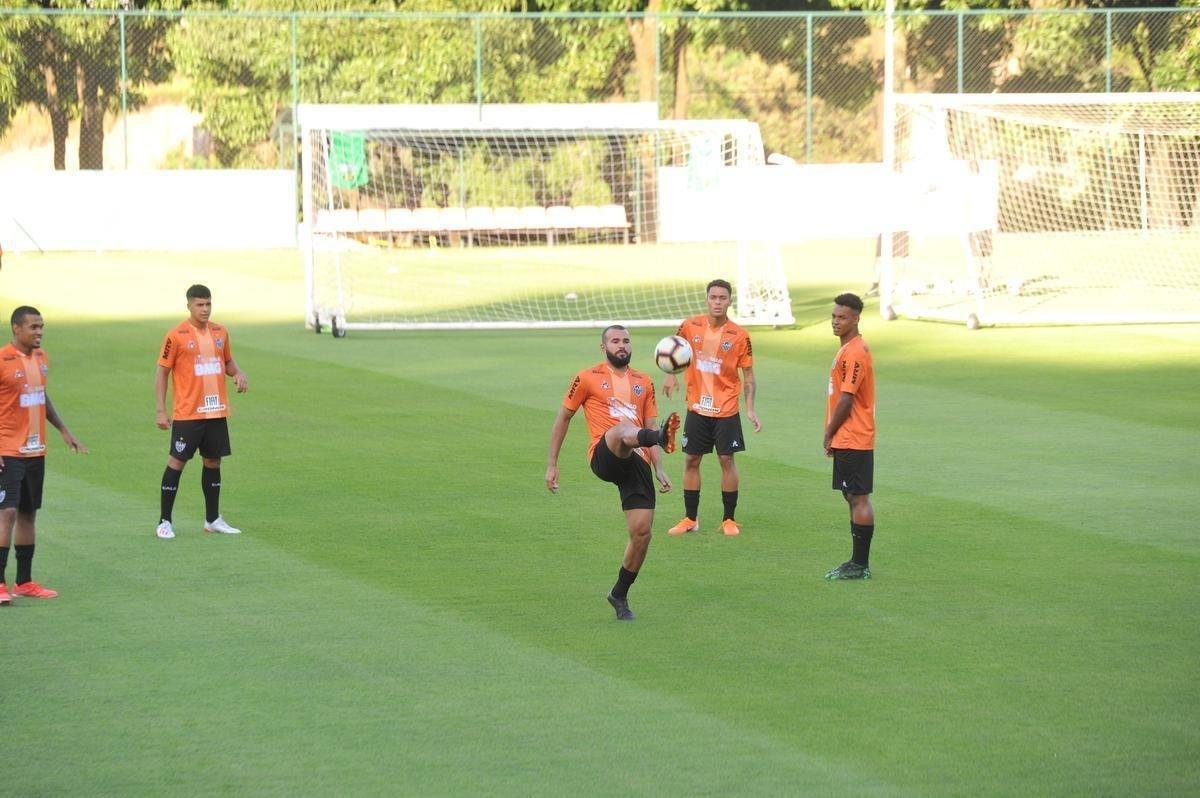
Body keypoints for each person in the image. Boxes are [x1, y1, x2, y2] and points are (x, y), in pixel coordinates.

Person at [546, 325, 680, 621]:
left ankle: (619, 593)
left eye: (626, 341)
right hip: (604, 453)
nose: (622, 345)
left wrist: (659, 468)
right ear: (603, 347)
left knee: (642, 533)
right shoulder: (586, 377)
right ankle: (656, 437)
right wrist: (552, 464)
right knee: (621, 429)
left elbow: (650, 421)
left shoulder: (644, 381)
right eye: (615, 341)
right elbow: (563, 417)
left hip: (638, 458)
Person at [0, 306, 88, 604]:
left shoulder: (41, 358)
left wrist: (63, 429)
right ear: (16, 328)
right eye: (33, 327)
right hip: (8, 451)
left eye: (41, 326)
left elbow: (40, 395)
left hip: (35, 450)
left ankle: (24, 582)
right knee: (6, 513)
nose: (39, 332)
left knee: (28, 514)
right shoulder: (2, 359)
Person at [662, 279, 760, 537]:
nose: (717, 302)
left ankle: (729, 519)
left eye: (722, 298)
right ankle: (690, 519)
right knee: (691, 459)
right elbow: (673, 349)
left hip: (726, 409)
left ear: (729, 301)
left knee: (726, 459)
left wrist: (750, 409)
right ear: (706, 299)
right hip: (696, 407)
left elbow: (749, 376)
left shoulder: (740, 335)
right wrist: (670, 375)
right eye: (713, 297)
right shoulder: (689, 325)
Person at [154, 284, 248, 540]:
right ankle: (164, 521)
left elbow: (226, 361)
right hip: (188, 414)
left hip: (215, 411)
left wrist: (238, 373)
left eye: (208, 304)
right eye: (200, 305)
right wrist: (161, 410)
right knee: (177, 462)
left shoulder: (220, 332)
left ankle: (212, 519)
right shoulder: (176, 336)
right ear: (189, 306)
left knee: (213, 462)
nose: (205, 309)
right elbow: (162, 372)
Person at [823, 292, 876, 580]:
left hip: (854, 435)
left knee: (858, 497)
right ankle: (856, 561)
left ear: (856, 319)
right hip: (848, 436)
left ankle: (860, 564)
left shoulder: (855, 352)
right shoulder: (847, 349)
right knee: (851, 495)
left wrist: (829, 431)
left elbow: (847, 398)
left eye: (842, 317)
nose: (836, 322)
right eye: (833, 316)